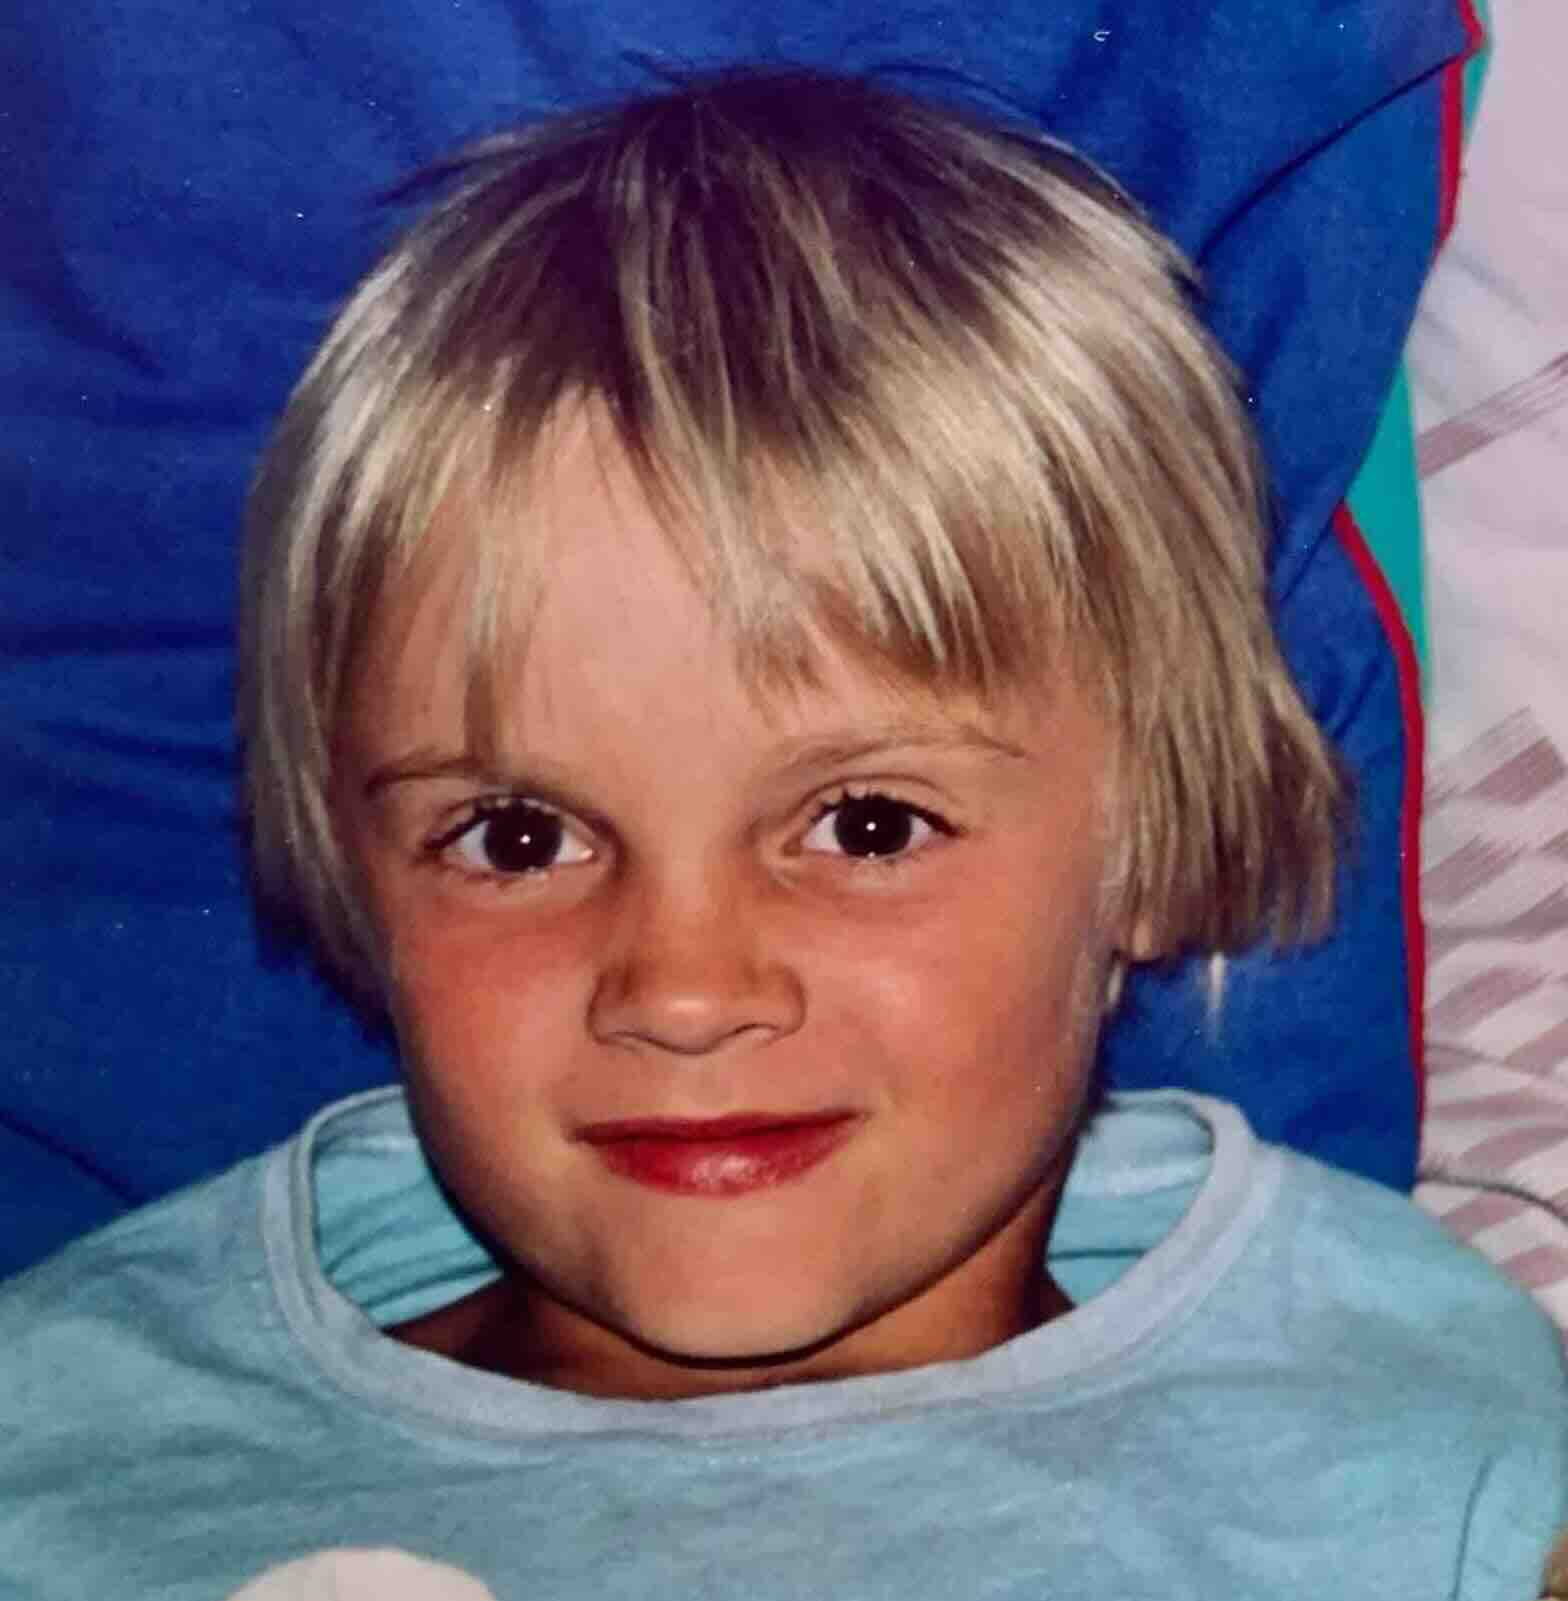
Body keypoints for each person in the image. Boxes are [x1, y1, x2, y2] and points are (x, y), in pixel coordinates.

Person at [0, 68, 1560, 1600]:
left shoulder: (1408, 1437)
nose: (683, 990)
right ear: (352, 865)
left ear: (1152, 829)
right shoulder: (74, 1436)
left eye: (867, 823)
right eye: (520, 838)